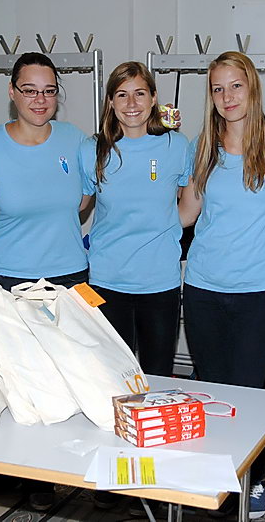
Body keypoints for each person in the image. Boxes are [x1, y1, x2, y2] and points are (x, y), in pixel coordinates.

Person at [178, 51, 265, 519]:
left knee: (248, 395)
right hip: (203, 289)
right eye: (217, 88)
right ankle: (215, 478)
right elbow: (186, 214)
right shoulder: (202, 147)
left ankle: (255, 478)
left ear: (252, 88)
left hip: (257, 293)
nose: (227, 97)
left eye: (235, 86)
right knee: (211, 393)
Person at [0, 52, 88, 512]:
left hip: (65, 277)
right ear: (12, 92)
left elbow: (84, 200)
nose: (40, 99)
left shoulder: (75, 140)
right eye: (30, 90)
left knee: (58, 379)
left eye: (49, 90)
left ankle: (45, 474)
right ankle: (1, 469)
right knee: (9, 376)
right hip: (7, 276)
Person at [79, 61, 189, 377]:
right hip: (107, 280)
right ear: (111, 102)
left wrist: (166, 227)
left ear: (153, 98)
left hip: (160, 282)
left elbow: (191, 201)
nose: (131, 103)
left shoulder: (176, 145)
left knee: (158, 375)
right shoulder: (93, 149)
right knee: (115, 377)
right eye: (122, 94)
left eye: (140, 93)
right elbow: (77, 205)